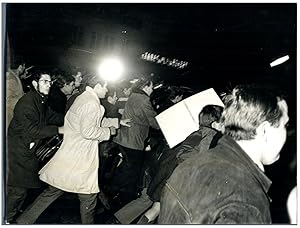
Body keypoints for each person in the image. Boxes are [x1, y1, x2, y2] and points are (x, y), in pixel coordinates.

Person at [158, 84, 289, 224]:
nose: (287, 132)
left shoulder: (189, 165)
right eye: (285, 125)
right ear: (264, 130)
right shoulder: (246, 199)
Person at [15, 75, 131, 224]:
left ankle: (22, 222)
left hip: (70, 155)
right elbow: (88, 131)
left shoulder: (83, 98)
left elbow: (89, 122)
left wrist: (117, 122)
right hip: (81, 158)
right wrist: (109, 131)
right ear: (97, 86)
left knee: (52, 191)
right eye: (105, 86)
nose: (107, 90)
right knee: (88, 197)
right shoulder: (92, 103)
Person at [6, 70, 64, 223]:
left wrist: (70, 119)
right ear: (34, 83)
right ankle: (6, 220)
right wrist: (58, 129)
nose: (49, 85)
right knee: (17, 191)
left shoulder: (40, 100)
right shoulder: (27, 103)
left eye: (50, 82)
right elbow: (31, 130)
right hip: (18, 152)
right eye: (45, 81)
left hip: (25, 151)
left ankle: (9, 217)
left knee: (20, 191)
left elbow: (51, 116)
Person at [111, 77, 160, 204]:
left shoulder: (134, 95)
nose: (152, 89)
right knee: (132, 171)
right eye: (151, 87)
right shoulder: (144, 99)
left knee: (127, 167)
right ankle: (120, 196)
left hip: (125, 137)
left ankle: (114, 191)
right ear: (145, 86)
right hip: (133, 140)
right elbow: (154, 122)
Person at [6, 61, 26, 131]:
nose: (24, 69)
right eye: (24, 67)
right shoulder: (10, 78)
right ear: (20, 67)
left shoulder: (13, 76)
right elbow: (7, 100)